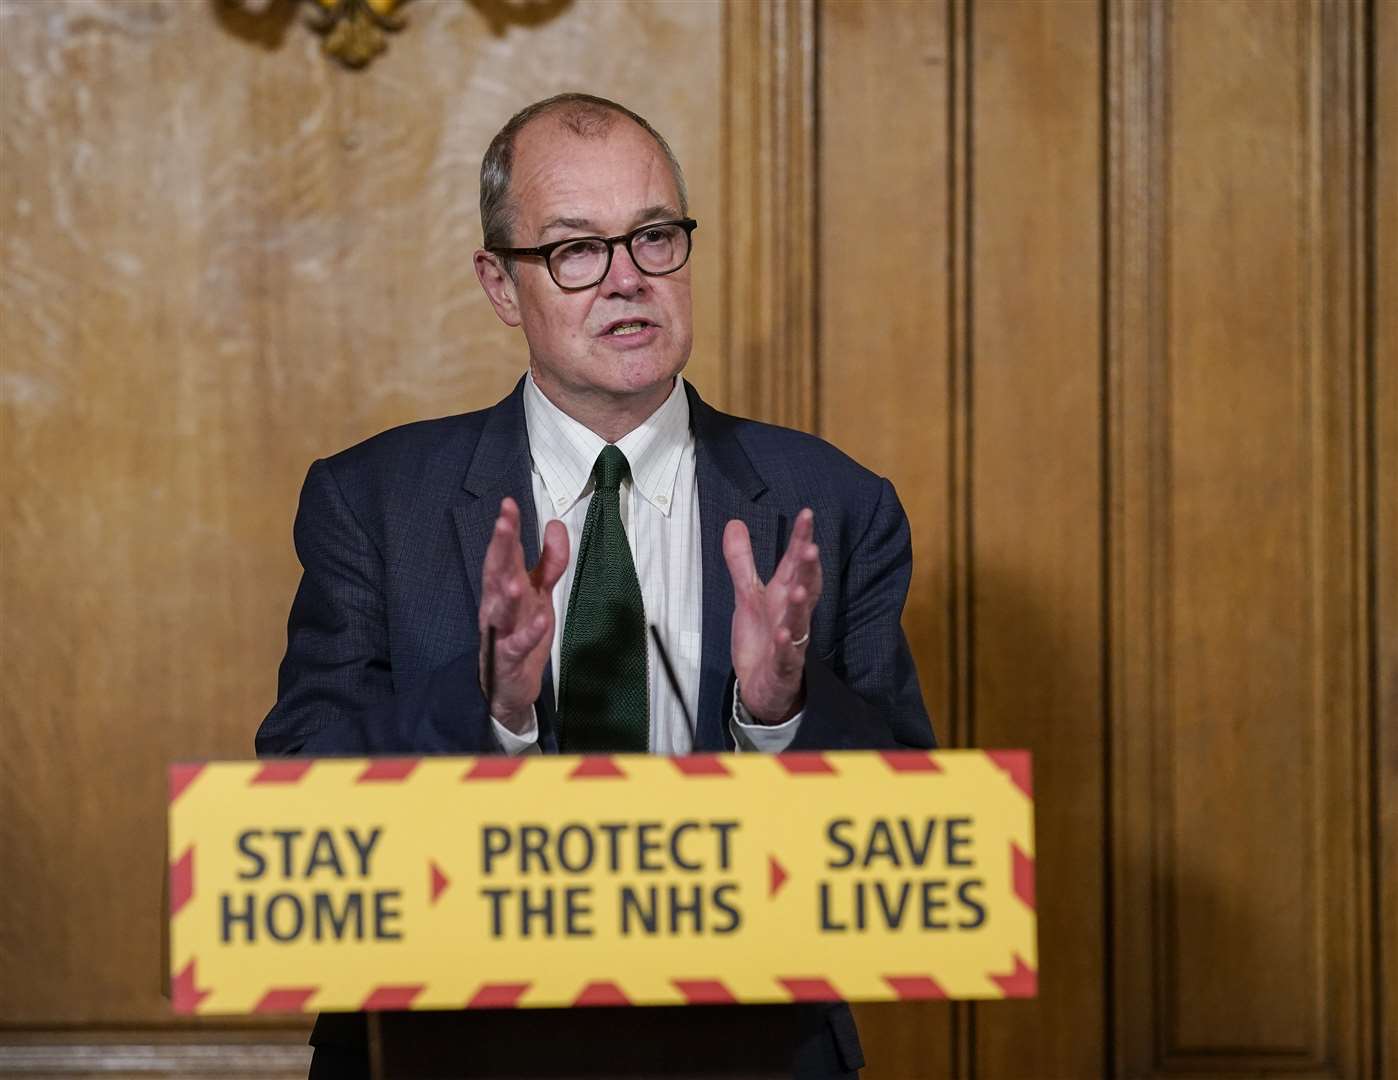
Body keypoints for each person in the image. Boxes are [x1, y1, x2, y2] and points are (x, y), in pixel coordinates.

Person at [256, 93, 934, 1080]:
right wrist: (490, 704)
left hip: (755, 1051)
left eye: (655, 236)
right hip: (447, 1049)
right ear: (500, 284)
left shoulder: (831, 504)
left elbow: (915, 834)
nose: (629, 281)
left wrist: (779, 710)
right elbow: (298, 801)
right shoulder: (373, 503)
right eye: (577, 249)